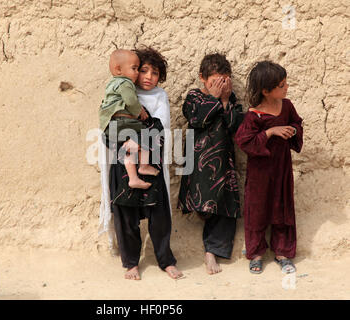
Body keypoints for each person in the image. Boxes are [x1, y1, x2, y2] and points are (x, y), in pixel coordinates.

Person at [99, 46, 183, 280]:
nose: (148, 77)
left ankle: (166, 261)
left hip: (150, 160)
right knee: (125, 215)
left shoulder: (159, 97)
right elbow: (107, 126)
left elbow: (162, 129)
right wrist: (128, 140)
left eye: (154, 73)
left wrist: (141, 138)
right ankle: (131, 263)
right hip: (123, 161)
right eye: (142, 70)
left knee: (159, 215)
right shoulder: (121, 91)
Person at [235, 61, 303, 274]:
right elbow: (244, 140)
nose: (286, 87)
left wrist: (292, 129)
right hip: (260, 173)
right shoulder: (254, 114)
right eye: (281, 85)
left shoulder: (287, 106)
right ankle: (255, 253)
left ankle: (282, 252)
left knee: (281, 207)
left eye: (285, 83)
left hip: (282, 168)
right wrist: (271, 132)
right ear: (266, 91)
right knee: (257, 210)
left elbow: (297, 123)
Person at [178, 53, 244, 274]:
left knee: (225, 206)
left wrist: (224, 101)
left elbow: (236, 127)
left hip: (224, 160)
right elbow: (197, 119)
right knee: (204, 203)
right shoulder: (194, 97)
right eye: (214, 81)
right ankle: (209, 249)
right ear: (202, 78)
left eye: (224, 81)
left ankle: (211, 252)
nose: (220, 86)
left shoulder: (231, 99)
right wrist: (214, 98)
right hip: (198, 161)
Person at [99, 49, 159, 190]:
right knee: (146, 132)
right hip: (122, 123)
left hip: (111, 127)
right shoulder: (124, 83)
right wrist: (140, 112)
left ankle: (133, 178)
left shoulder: (111, 84)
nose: (137, 73)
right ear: (119, 70)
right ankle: (143, 165)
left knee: (128, 148)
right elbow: (131, 101)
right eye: (134, 69)